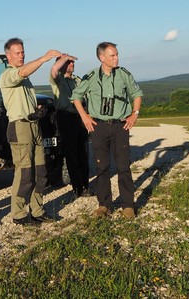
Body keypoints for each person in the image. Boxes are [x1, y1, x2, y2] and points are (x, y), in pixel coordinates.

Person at [70, 42, 143, 220]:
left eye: (117, 54)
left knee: (123, 166)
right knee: (102, 167)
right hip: (99, 126)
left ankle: (128, 206)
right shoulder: (91, 76)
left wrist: (135, 114)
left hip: (120, 125)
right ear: (102, 57)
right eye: (113, 55)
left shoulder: (124, 74)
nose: (117, 58)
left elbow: (137, 94)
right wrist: (84, 116)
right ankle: (104, 205)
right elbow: (76, 97)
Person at [0, 37, 62, 225]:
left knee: (41, 171)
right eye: (17, 53)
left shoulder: (26, 81)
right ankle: (18, 214)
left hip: (33, 125)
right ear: (8, 55)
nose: (21, 55)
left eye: (23, 52)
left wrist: (37, 111)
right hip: (20, 127)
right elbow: (22, 72)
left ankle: (37, 210)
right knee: (25, 172)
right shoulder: (8, 75)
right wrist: (43, 58)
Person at [50, 54, 94, 199]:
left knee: (84, 153)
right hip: (66, 117)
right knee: (72, 154)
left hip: (80, 117)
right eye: (68, 62)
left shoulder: (78, 80)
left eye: (71, 62)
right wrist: (62, 57)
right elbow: (54, 70)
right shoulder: (58, 79)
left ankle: (85, 186)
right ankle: (78, 188)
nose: (72, 64)